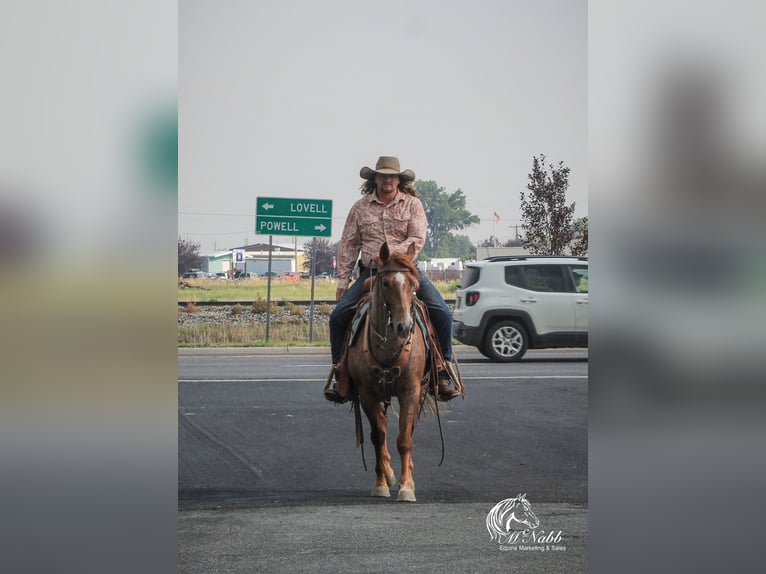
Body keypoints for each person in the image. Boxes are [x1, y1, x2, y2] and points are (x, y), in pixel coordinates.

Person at [324, 156, 462, 403]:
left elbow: (417, 238)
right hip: (371, 272)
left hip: (406, 271)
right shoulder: (360, 207)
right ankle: (341, 372)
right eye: (382, 175)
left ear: (399, 180)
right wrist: (342, 281)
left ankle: (443, 368)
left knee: (441, 312)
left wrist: (390, 255)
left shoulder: (412, 205)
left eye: (392, 176)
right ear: (374, 179)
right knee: (338, 317)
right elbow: (349, 244)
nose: (387, 180)